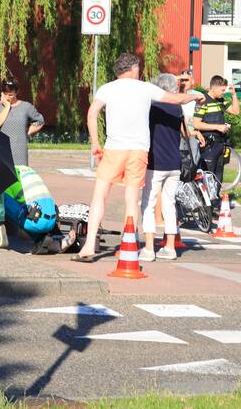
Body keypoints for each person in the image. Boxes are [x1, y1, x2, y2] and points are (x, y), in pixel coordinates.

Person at [73, 52, 204, 262]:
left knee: (100, 195)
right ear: (134, 68)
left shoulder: (107, 88)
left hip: (114, 147)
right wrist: (195, 96)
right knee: (131, 198)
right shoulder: (145, 88)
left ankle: (89, 245)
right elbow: (175, 98)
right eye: (138, 67)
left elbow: (92, 112)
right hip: (138, 150)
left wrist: (95, 143)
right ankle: (130, 242)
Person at [139, 73, 186, 261]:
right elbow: (185, 132)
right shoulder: (177, 108)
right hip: (175, 163)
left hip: (156, 162)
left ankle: (149, 248)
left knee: (148, 205)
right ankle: (170, 247)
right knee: (169, 204)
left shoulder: (152, 108)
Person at [0, 165, 76, 254]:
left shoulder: (5, 177)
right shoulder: (25, 169)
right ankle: (53, 242)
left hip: (35, 220)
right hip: (52, 219)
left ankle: (38, 239)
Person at [192, 76, 240, 182]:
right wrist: (218, 127)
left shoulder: (220, 101)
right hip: (208, 144)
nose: (224, 92)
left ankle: (216, 198)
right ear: (214, 87)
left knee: (218, 177)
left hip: (220, 144)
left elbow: (236, 111)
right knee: (207, 176)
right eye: (222, 90)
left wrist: (234, 95)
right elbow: (196, 124)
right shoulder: (203, 101)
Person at [0, 77, 45, 166]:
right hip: (1, 153)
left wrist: (27, 133)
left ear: (16, 92)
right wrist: (7, 107)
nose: (7, 97)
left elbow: (40, 121)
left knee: (20, 179)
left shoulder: (26, 107)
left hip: (20, 154)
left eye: (10, 95)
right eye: (5, 94)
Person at [178, 69, 205, 163]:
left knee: (193, 162)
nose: (184, 82)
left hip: (193, 134)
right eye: (182, 80)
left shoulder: (198, 96)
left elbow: (201, 116)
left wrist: (196, 131)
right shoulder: (175, 95)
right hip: (178, 134)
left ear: (192, 81)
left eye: (186, 80)